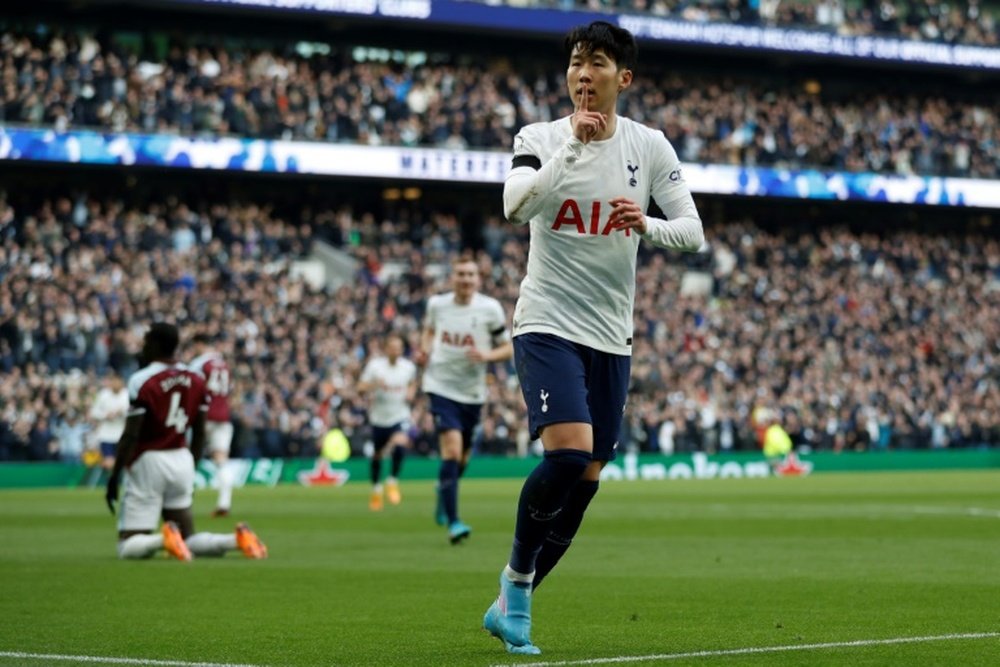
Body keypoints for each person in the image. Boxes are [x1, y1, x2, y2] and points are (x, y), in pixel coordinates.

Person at [482, 21, 705, 654]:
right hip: (547, 319)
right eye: (577, 62)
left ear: (622, 79)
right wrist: (571, 151)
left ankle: (507, 597)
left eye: (598, 63)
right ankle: (519, 590)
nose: (584, 72)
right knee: (569, 453)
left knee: (587, 480)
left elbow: (692, 230)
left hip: (612, 335)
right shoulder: (539, 136)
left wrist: (649, 227)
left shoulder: (650, 146)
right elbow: (515, 205)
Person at [104, 322, 267, 561]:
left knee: (127, 545)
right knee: (188, 537)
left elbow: (131, 434)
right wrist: (193, 466)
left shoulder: (142, 380)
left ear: (156, 345)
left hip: (149, 459)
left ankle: (164, 540)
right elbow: (199, 432)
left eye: (147, 341)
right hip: (181, 458)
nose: (144, 346)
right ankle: (236, 540)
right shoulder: (196, 378)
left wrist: (115, 474)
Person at [417, 254, 513, 544]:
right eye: (461, 274)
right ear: (452, 277)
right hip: (440, 385)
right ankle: (454, 522)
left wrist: (486, 356)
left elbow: (507, 348)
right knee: (451, 449)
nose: (466, 280)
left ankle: (443, 492)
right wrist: (425, 350)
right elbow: (429, 330)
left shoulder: (490, 309)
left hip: (472, 393)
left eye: (471, 275)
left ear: (478, 279)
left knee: (462, 458)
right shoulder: (437, 305)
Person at [357, 333, 418, 511]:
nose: (396, 351)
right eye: (392, 348)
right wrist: (373, 385)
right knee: (378, 455)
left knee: (401, 443)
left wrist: (411, 392)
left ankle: (392, 481)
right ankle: (376, 489)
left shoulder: (408, 367)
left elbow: (413, 382)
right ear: (386, 349)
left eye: (399, 348)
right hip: (379, 418)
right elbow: (360, 388)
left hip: (400, 415)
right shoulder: (375, 367)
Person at [189, 333, 235, 517]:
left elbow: (192, 389)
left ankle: (183, 501)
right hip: (223, 415)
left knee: (191, 457)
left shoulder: (199, 364)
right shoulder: (224, 364)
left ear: (199, 344)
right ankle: (224, 502)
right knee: (221, 459)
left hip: (203, 415)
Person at [87, 373, 129, 473]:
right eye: (113, 381)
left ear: (121, 382)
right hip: (106, 435)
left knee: (123, 462)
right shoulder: (104, 394)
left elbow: (132, 412)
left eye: (117, 381)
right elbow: (94, 412)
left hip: (122, 434)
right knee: (109, 463)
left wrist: (121, 413)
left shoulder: (127, 395)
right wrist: (106, 415)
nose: (115, 384)